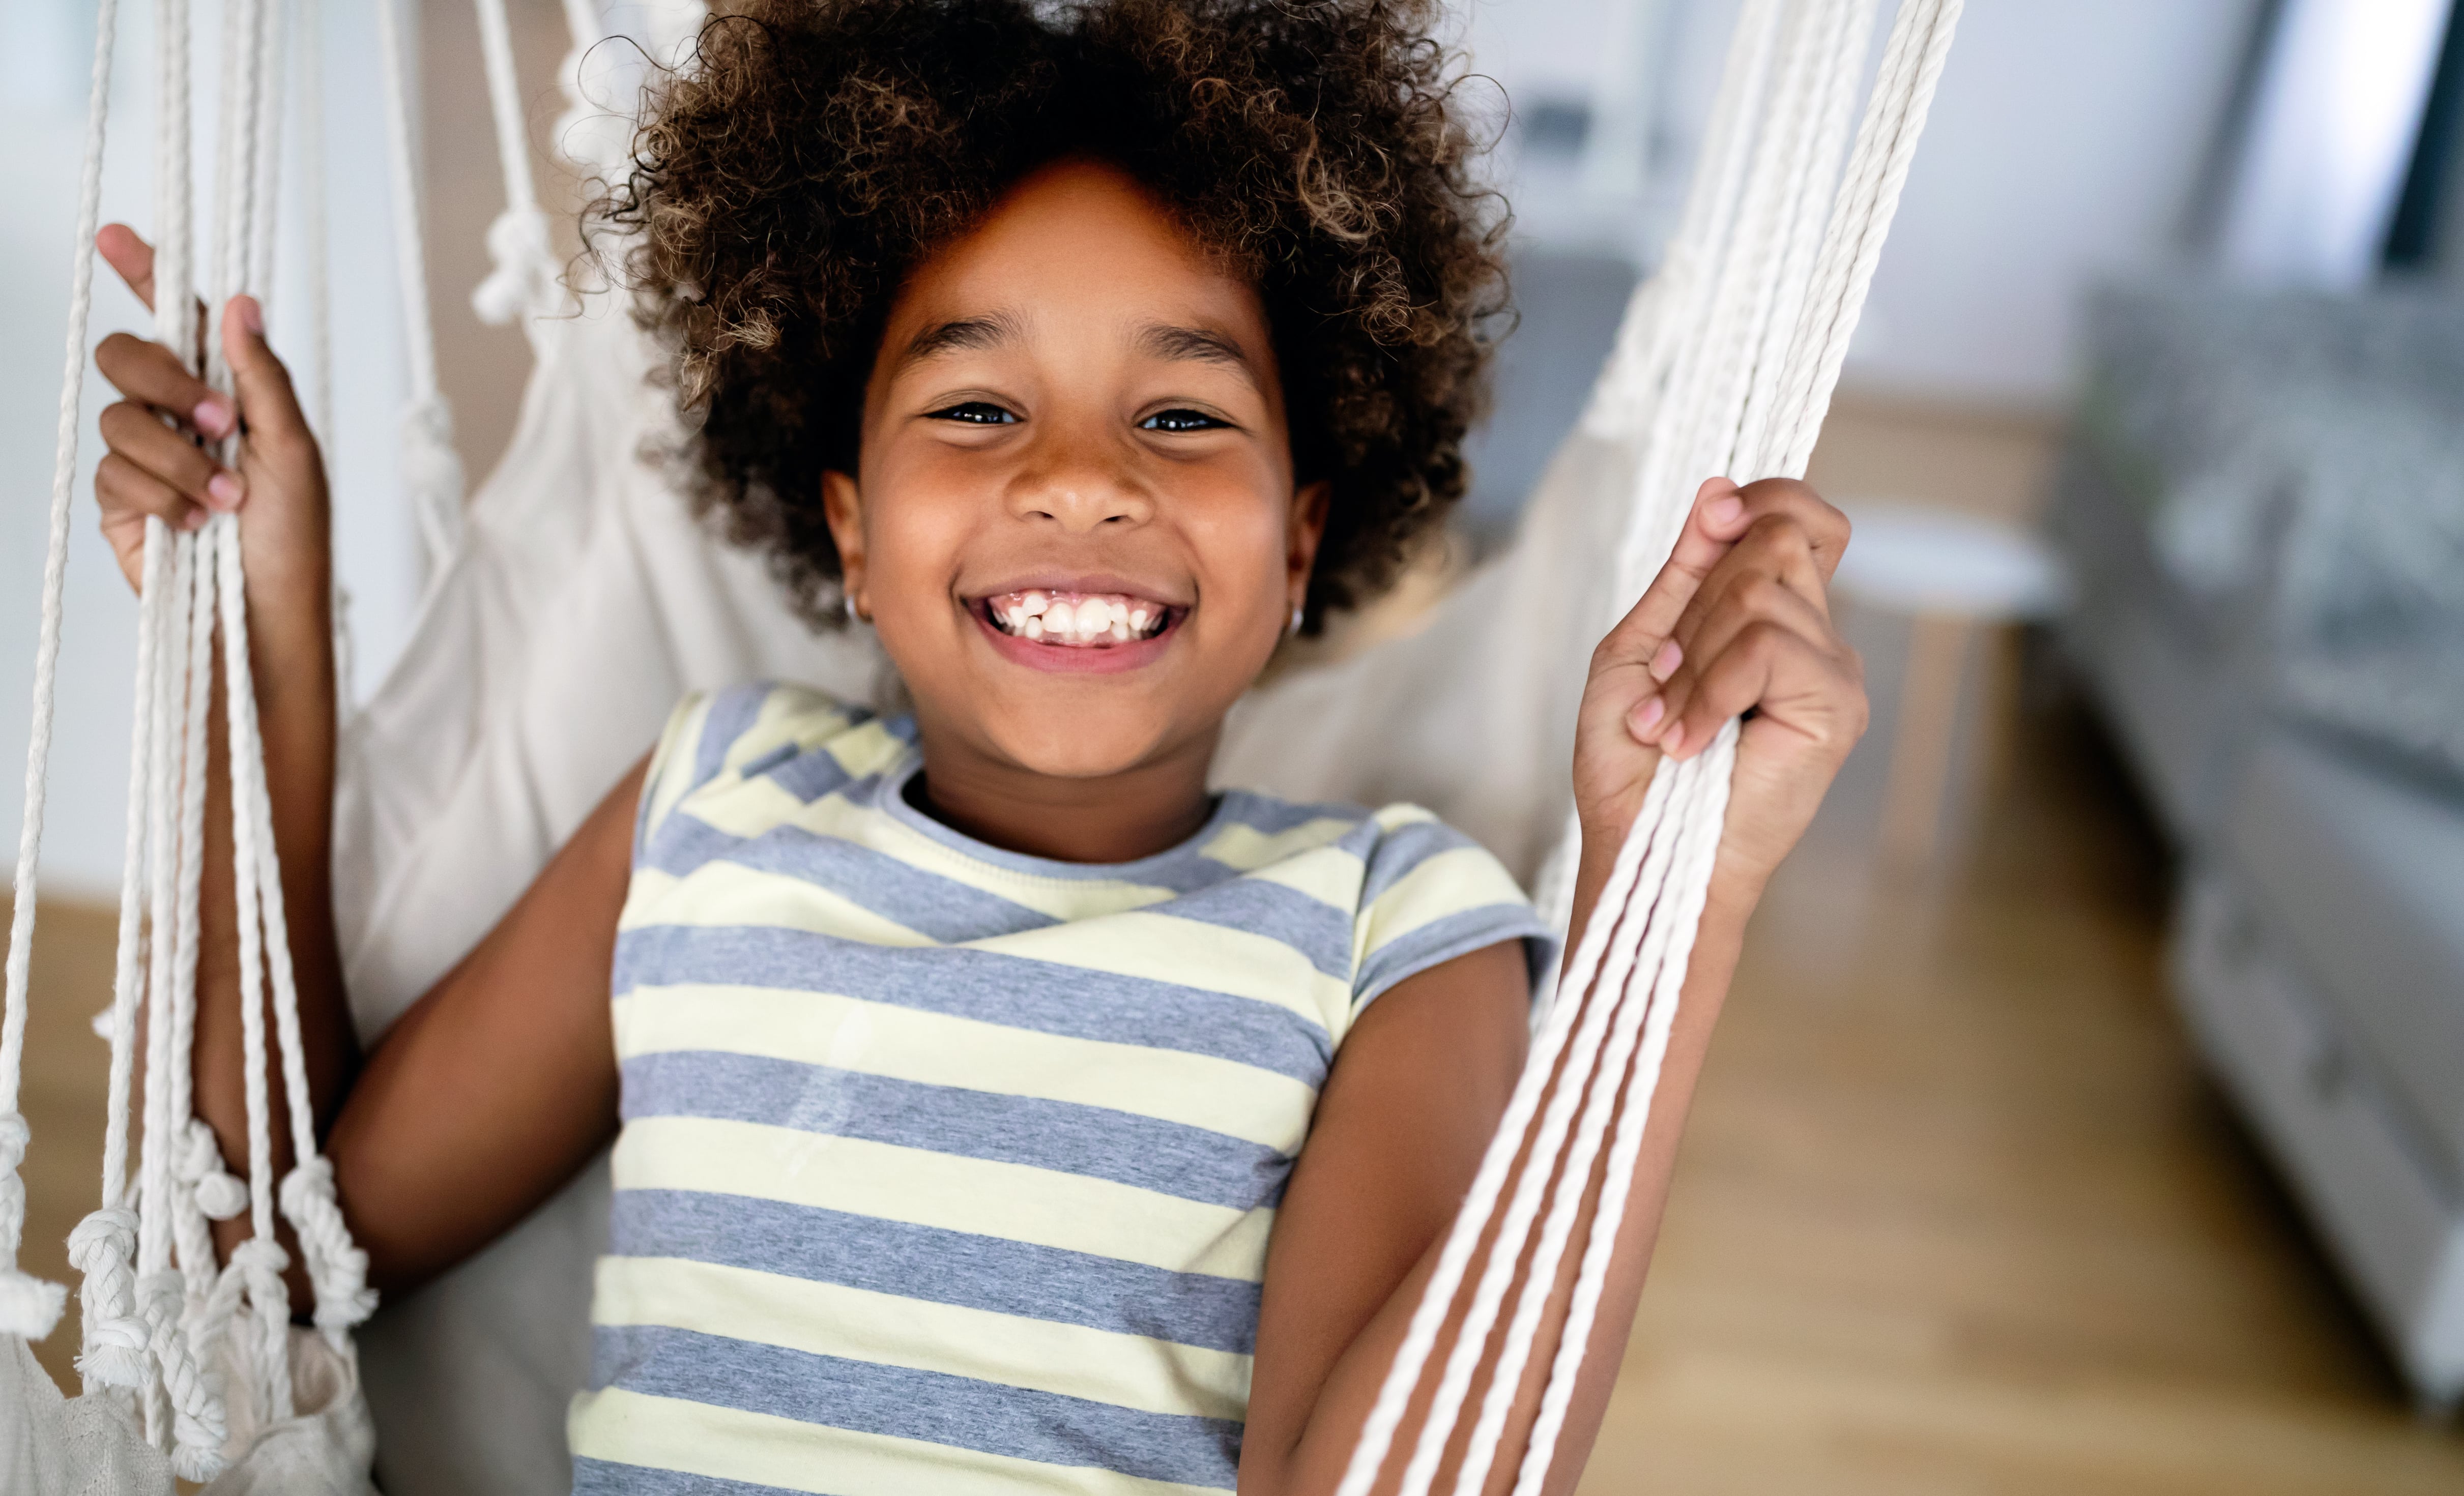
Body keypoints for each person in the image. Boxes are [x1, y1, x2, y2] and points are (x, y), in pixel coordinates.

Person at [81, 1, 1865, 1490]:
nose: (1081, 475)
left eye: (1180, 412)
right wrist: (261, 649)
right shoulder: (711, 804)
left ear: (1303, 539)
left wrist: (1670, 896)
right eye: (977, 406)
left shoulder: (1397, 932)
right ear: (849, 532)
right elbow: (270, 1255)